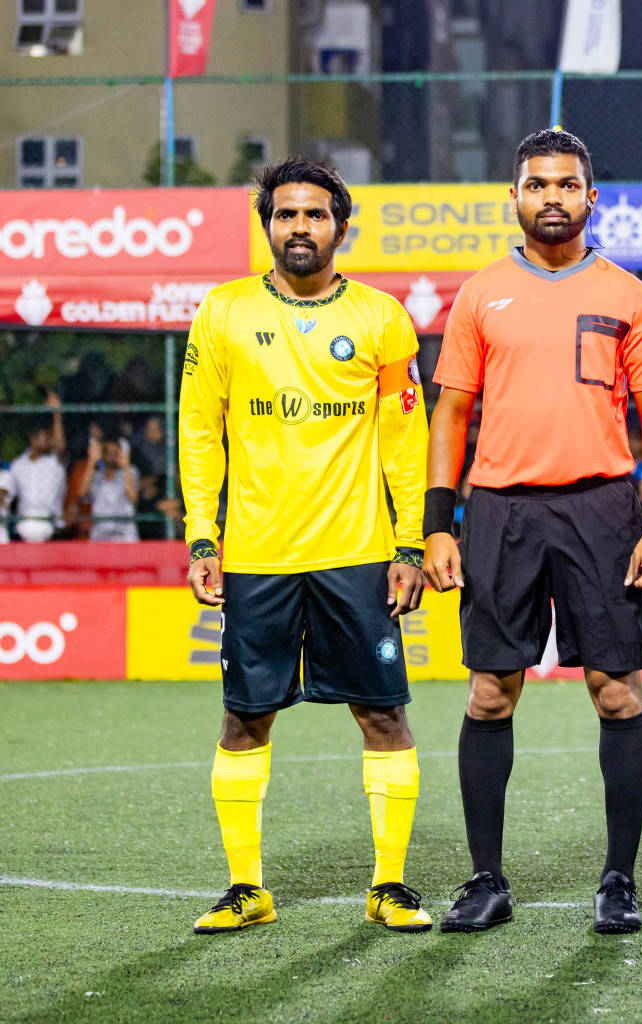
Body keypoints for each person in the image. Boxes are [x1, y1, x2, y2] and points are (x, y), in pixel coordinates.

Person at [423, 129, 642, 935]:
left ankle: (619, 879)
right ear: (515, 197)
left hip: (602, 509)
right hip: (499, 509)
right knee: (490, 692)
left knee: (615, 692)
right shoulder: (480, 294)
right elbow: (451, 414)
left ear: (591, 196)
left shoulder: (629, 296)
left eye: (568, 184)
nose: (552, 198)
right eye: (537, 184)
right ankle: (486, 880)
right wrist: (438, 525)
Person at [179, 157, 432, 935]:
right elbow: (199, 431)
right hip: (256, 556)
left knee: (383, 716)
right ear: (267, 225)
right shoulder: (220, 313)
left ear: (341, 227)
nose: (299, 227)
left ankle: (388, 885)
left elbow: (404, 439)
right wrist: (201, 536)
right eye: (285, 214)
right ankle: (246, 888)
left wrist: (410, 542)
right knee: (244, 718)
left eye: (315, 214)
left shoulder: (383, 319)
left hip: (357, 555)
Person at [10, 393, 67, 542]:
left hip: (52, 528)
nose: (50, 440)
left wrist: (57, 415)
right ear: (33, 439)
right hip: (24, 527)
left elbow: (59, 446)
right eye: (46, 436)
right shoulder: (18, 465)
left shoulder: (54, 463)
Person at [85, 437, 140, 542]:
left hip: (125, 534)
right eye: (107, 453)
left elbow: (133, 497)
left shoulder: (131, 471)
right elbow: (83, 494)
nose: (111, 456)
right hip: (100, 533)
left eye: (115, 453)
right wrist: (92, 463)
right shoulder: (96, 475)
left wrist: (125, 466)